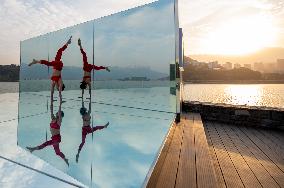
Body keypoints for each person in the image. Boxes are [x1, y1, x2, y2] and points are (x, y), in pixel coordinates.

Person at [29, 36, 72, 102]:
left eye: (57, 88)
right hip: (58, 65)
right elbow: (59, 91)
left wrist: (52, 99)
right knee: (57, 53)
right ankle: (67, 43)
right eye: (58, 88)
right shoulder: (60, 83)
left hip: (57, 66)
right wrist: (60, 100)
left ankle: (36, 61)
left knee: (59, 52)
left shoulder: (56, 81)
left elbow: (52, 90)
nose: (57, 88)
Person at [26, 101, 69, 166]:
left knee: (46, 144)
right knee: (57, 152)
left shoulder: (59, 121)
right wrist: (51, 103)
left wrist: (60, 104)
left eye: (59, 113)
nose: (57, 113)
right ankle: (65, 159)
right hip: (55, 139)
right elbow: (51, 111)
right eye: (57, 112)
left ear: (60, 115)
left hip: (56, 138)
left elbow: (59, 113)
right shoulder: (53, 119)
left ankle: (33, 149)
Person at [76, 97, 109, 162]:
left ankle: (78, 153)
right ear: (85, 111)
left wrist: (83, 102)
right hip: (87, 129)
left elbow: (84, 108)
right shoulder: (87, 114)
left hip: (84, 129)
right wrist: (90, 102)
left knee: (83, 142)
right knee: (96, 128)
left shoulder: (83, 115)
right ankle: (104, 126)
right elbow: (90, 109)